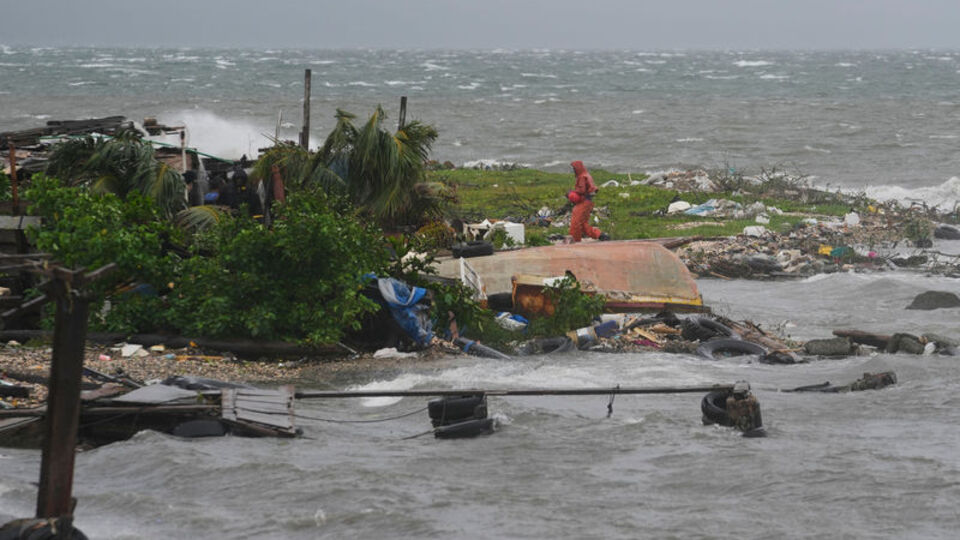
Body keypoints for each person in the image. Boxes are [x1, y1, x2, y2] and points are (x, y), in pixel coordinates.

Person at [568, 160, 610, 242]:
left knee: (575, 222)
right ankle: (600, 235)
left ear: (577, 168)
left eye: (574, 169)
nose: (573, 171)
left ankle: (575, 240)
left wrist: (570, 193)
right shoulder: (587, 175)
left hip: (583, 202)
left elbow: (582, 190)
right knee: (583, 224)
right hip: (588, 202)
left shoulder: (582, 177)